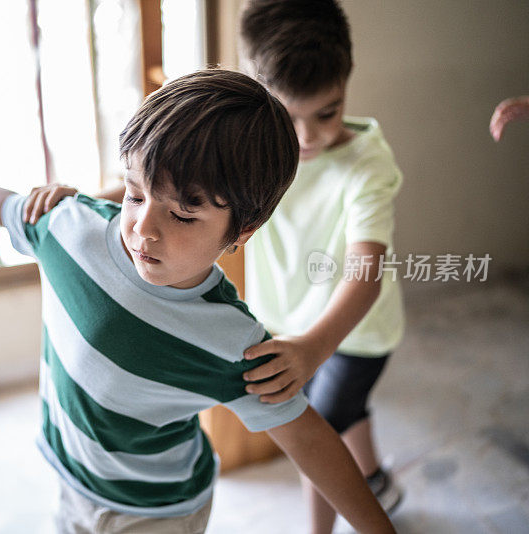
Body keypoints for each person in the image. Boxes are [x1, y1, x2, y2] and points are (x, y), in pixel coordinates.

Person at [0, 70, 394, 533]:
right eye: (135, 193)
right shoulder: (68, 226)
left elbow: (309, 440)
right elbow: (1, 205)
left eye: (182, 214)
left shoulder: (230, 340)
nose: (144, 227)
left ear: (240, 232)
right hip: (70, 479)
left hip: (159, 512)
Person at [237, 1, 405, 532]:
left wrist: (313, 348)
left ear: (346, 84)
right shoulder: (257, 144)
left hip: (353, 332)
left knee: (316, 437)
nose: (306, 137)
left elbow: (366, 272)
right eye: (289, 117)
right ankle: (375, 477)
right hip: (287, 320)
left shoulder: (367, 165)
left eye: (326, 113)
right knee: (341, 409)